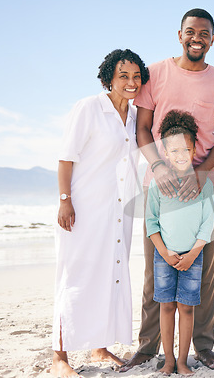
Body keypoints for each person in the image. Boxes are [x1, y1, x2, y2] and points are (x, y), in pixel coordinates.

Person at [120, 8, 214, 372]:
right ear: (179, 34)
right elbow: (142, 129)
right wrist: (158, 167)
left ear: (213, 39)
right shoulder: (155, 74)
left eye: (204, 33)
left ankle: (202, 347)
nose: (196, 38)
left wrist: (200, 174)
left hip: (205, 187)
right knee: (157, 271)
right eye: (190, 31)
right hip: (160, 187)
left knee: (203, 272)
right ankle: (147, 347)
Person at [51, 49, 149, 378]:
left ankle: (100, 346)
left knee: (112, 275)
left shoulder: (135, 117)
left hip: (118, 212)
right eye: (124, 76)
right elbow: (66, 157)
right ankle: (59, 356)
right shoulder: (89, 108)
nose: (131, 82)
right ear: (109, 77)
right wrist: (65, 199)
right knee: (74, 276)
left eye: (136, 76)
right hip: (83, 209)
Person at [145, 110, 214, 375]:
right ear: (164, 152)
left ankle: (183, 361)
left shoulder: (202, 184)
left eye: (186, 149)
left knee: (186, 308)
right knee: (166, 307)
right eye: (174, 151)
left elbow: (208, 223)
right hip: (164, 256)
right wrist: (164, 252)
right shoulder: (157, 185)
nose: (181, 155)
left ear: (195, 147)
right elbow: (151, 223)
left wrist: (192, 254)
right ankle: (169, 360)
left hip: (192, 255)